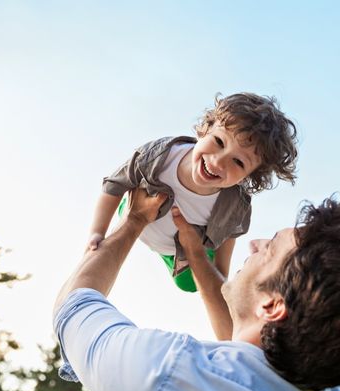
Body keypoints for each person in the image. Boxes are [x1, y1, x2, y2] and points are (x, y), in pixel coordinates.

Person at [53, 189, 340, 391]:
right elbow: (253, 350)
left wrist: (135, 219)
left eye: (271, 248)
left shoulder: (166, 375)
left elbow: (73, 306)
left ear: (273, 305)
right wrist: (197, 257)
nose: (255, 244)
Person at [87, 93, 298, 292]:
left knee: (191, 285)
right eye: (219, 142)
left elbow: (228, 236)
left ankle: (178, 259)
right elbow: (114, 185)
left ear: (248, 177)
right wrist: (98, 232)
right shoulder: (160, 157)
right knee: (105, 247)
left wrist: (220, 276)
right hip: (139, 214)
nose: (217, 162)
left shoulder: (235, 205)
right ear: (205, 129)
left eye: (238, 162)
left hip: (175, 246)